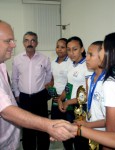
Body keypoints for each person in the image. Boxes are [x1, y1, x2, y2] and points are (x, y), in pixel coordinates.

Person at [53, 17, 115, 150]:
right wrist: (78, 128)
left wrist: (80, 128)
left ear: (113, 53)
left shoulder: (112, 83)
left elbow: (112, 137)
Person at [0, 20, 76, 150]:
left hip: (40, 96)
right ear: (24, 42)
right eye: (27, 40)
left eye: (33, 40)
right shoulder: (17, 59)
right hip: (23, 97)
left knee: (42, 133)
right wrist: (17, 95)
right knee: (27, 129)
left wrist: (46, 91)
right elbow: (15, 78)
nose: (30, 43)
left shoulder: (44, 58)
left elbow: (48, 76)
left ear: (37, 43)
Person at [58, 36, 92, 150]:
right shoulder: (71, 64)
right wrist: (60, 99)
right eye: (69, 49)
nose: (71, 53)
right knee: (67, 137)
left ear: (82, 49)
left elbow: (88, 93)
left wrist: (69, 102)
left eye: (75, 49)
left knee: (80, 140)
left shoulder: (87, 66)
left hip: (81, 108)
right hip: (69, 106)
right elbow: (69, 85)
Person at [46, 38, 71, 120]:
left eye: (62, 47)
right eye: (57, 47)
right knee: (55, 122)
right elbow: (53, 80)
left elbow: (70, 82)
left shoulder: (70, 62)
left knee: (66, 123)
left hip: (67, 97)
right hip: (56, 98)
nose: (59, 49)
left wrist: (62, 96)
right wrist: (49, 86)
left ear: (67, 49)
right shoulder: (53, 63)